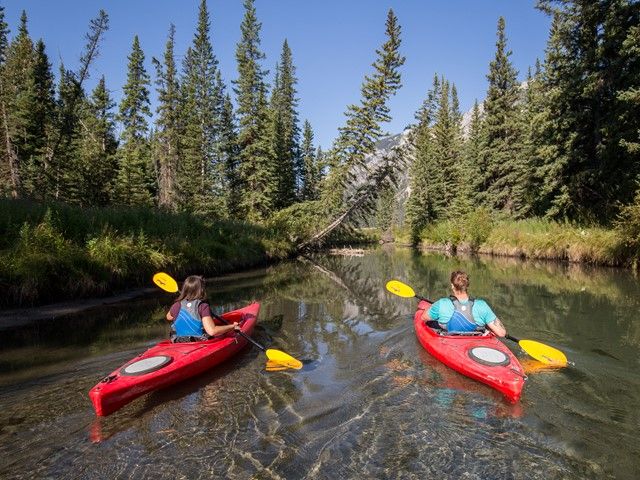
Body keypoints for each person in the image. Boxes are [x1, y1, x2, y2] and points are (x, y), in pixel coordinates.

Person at [421, 270, 506, 337]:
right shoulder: (482, 305)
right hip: (475, 340)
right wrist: (488, 325)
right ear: (466, 286)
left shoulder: (442, 304)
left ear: (452, 286)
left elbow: (423, 318)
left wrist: (432, 307)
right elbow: (501, 333)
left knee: (431, 323)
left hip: (449, 340)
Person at [165, 275, 241, 342]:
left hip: (179, 342)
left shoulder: (176, 305)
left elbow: (169, 317)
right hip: (199, 342)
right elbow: (212, 331)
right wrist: (232, 326)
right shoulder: (203, 306)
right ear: (201, 290)